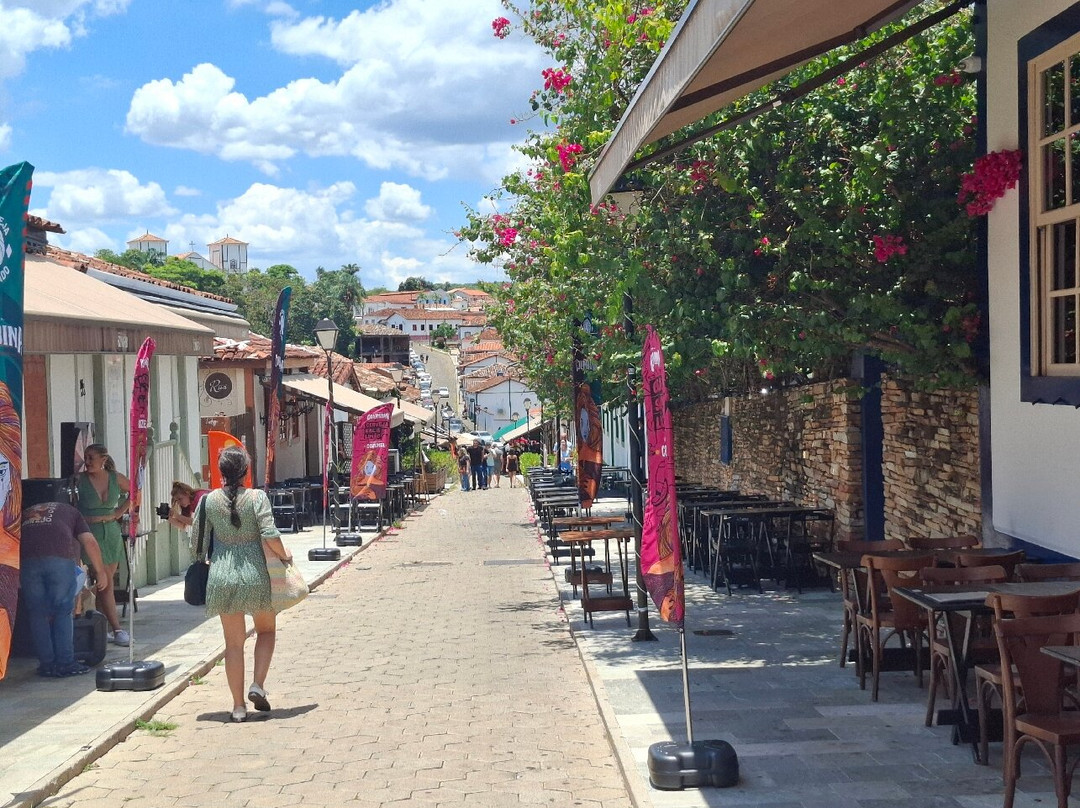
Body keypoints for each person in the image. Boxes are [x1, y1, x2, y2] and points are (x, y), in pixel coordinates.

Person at [195, 446, 293, 723]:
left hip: (222, 574)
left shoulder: (209, 501)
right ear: (246, 471)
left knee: (233, 644)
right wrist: (284, 556)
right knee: (266, 631)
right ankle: (257, 684)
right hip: (255, 573)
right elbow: (270, 532)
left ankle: (238, 707)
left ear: (221, 471)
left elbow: (197, 544)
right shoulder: (257, 497)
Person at [20, 501, 108, 677]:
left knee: (37, 613)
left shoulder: (27, 512)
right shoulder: (73, 512)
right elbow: (89, 541)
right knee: (62, 610)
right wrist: (101, 572)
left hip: (27, 562)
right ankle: (65, 663)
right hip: (59, 560)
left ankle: (46, 665)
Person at [75, 443, 131, 647]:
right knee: (105, 582)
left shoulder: (115, 477)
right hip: (90, 532)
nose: (87, 462)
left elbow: (135, 491)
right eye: (86, 457)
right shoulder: (79, 480)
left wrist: (119, 512)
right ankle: (117, 629)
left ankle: (102, 626)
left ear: (103, 460)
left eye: (91, 458)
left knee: (103, 584)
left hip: (111, 532)